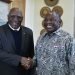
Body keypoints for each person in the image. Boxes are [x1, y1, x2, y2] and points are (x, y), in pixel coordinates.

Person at [0, 8, 34, 75]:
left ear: (22, 18)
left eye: (19, 17)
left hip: (24, 72)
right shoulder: (1, 31)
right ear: (8, 17)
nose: (16, 20)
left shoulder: (29, 32)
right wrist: (19, 59)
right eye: (12, 16)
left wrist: (30, 62)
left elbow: (31, 53)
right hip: (5, 71)